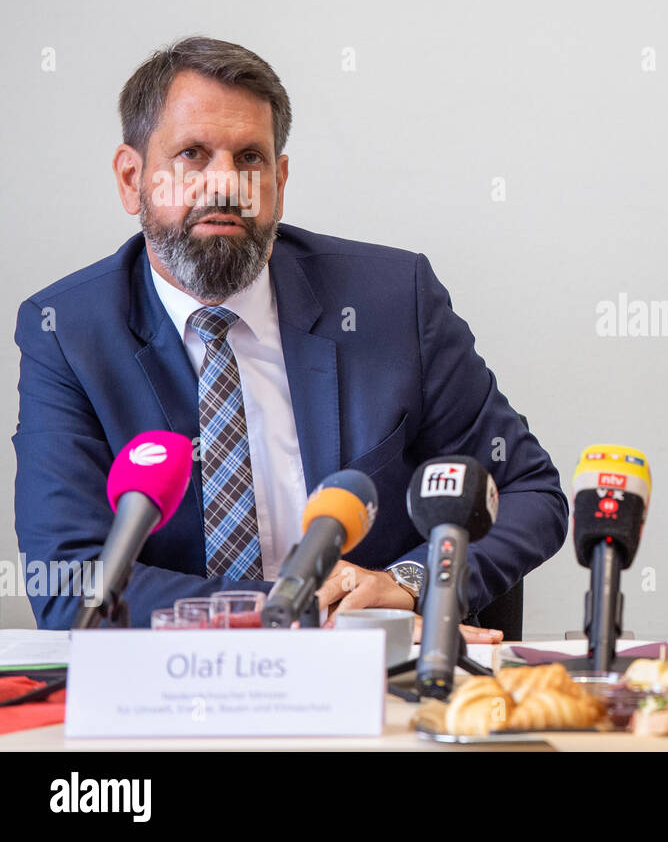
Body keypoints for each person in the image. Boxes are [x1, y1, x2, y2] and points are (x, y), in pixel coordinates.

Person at [13, 37, 568, 631]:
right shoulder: (67, 332)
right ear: (132, 179)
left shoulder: (391, 300)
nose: (225, 183)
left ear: (279, 179)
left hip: (380, 692)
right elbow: (73, 579)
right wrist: (299, 615)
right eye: (193, 155)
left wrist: (404, 584)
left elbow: (524, 488)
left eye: (250, 158)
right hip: (174, 688)